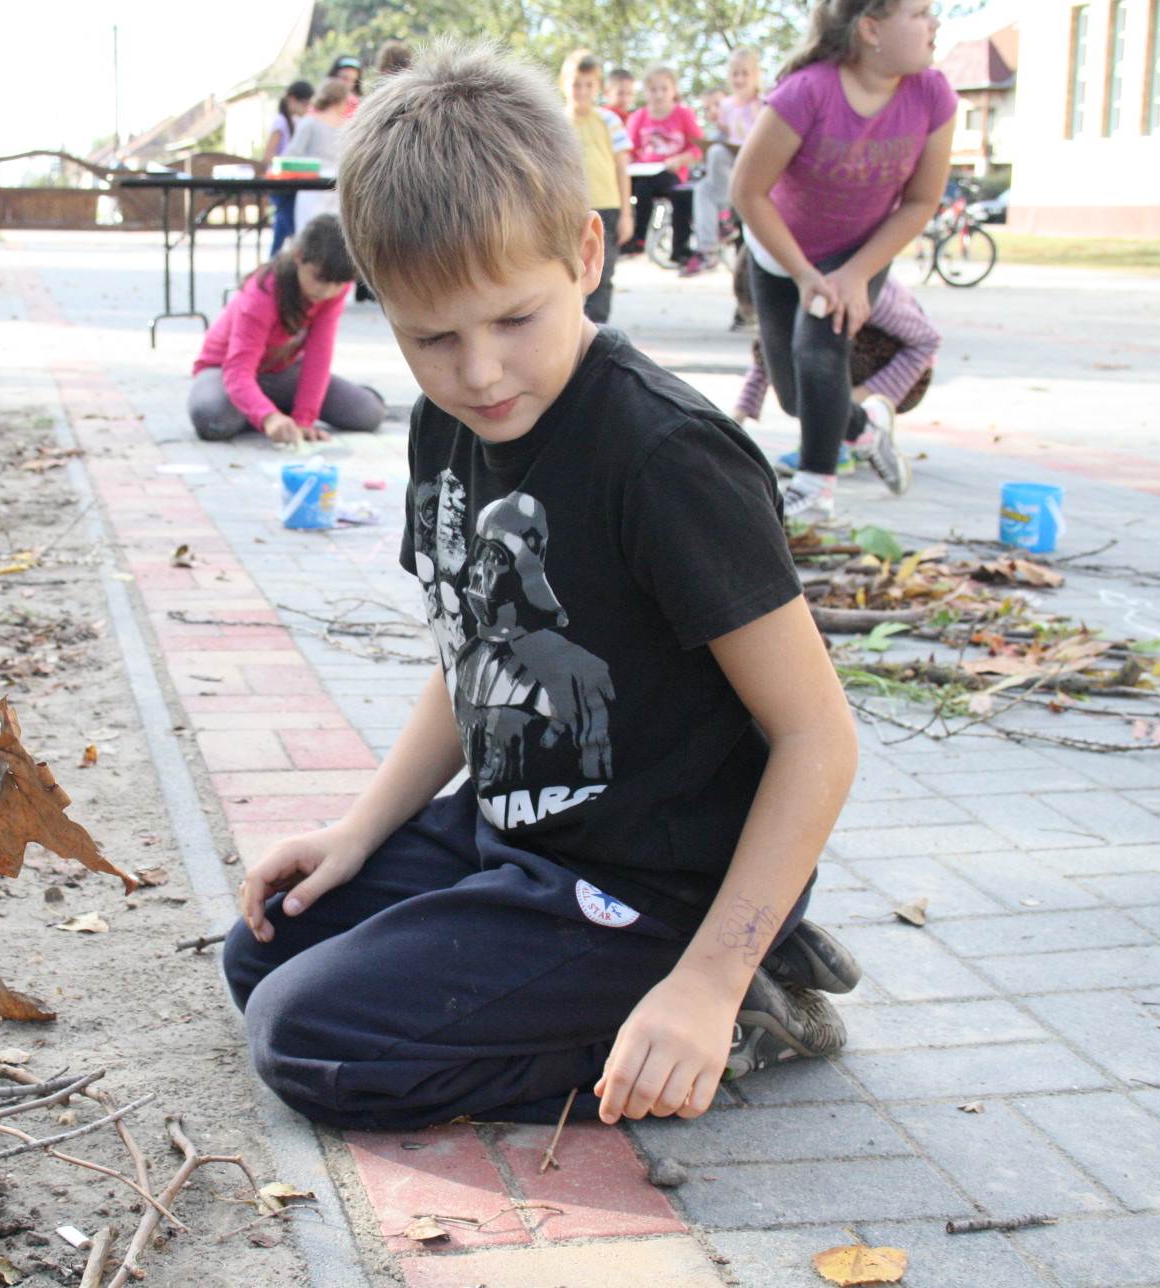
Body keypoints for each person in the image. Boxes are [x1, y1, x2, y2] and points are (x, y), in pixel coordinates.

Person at [222, 41, 862, 1134]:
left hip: (657, 880)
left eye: (514, 319)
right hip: (519, 831)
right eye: (431, 337)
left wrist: (706, 980)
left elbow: (819, 738)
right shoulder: (446, 425)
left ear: (585, 251)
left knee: (313, 1041)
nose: (479, 372)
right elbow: (470, 654)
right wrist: (360, 830)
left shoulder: (666, 458)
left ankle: (739, 1000)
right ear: (379, 302)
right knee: (265, 948)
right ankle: (641, 982)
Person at [733, 0, 955, 521]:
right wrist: (803, 273)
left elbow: (921, 201)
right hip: (781, 253)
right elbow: (747, 190)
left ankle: (815, 486)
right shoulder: (807, 93)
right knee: (795, 396)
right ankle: (865, 428)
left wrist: (856, 273)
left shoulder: (932, 94)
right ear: (871, 29)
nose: (935, 23)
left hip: (858, 251)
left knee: (819, 347)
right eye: (920, 13)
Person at [187, 214, 383, 444]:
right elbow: (237, 370)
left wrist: (304, 418)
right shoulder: (262, 292)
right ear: (299, 257)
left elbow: (318, 359)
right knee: (212, 417)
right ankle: (267, 411)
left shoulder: (333, 290)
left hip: (281, 373)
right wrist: (267, 416)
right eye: (320, 279)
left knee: (368, 413)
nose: (328, 291)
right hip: (222, 370)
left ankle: (270, 411)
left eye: (339, 284)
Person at [732, 274, 941, 477]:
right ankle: (852, 433)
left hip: (904, 375)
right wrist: (733, 424)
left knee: (818, 341)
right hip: (850, 360)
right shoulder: (788, 292)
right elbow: (769, 354)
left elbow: (927, 341)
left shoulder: (859, 293)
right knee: (783, 339)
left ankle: (850, 433)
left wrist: (856, 399)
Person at [560, 51, 631, 323]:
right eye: (576, 84)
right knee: (568, 272)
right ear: (564, 83)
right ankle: (570, 328)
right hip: (568, 210)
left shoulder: (609, 121)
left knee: (602, 271)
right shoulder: (556, 121)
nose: (582, 91)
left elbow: (622, 168)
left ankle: (598, 330)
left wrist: (626, 214)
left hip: (607, 207)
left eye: (589, 85)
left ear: (598, 87)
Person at [683, 49, 766, 277]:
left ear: (756, 75)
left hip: (754, 162)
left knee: (718, 154)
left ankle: (725, 215)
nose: (739, 79)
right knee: (702, 188)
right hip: (731, 165)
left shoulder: (762, 103)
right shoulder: (727, 105)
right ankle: (708, 248)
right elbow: (727, 136)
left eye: (745, 73)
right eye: (735, 74)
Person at [626, 65, 703, 262]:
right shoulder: (639, 117)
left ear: (673, 90)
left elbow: (698, 147)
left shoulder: (684, 114)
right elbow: (630, 150)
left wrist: (680, 160)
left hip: (671, 172)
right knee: (641, 188)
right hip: (643, 174)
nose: (659, 94)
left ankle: (680, 247)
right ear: (646, 92)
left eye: (664, 89)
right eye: (653, 89)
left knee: (682, 196)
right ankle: (637, 238)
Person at [285, 78, 352, 235]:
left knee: (308, 230)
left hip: (312, 183)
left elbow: (292, 153)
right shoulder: (348, 127)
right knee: (335, 232)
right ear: (342, 101)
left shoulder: (309, 122)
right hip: (338, 184)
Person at [264, 80, 314, 255]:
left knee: (280, 232)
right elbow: (268, 156)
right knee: (292, 230)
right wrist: (285, 163)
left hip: (291, 181)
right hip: (280, 183)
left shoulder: (296, 121)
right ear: (292, 99)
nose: (306, 108)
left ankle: (273, 263)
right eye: (304, 104)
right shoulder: (280, 122)